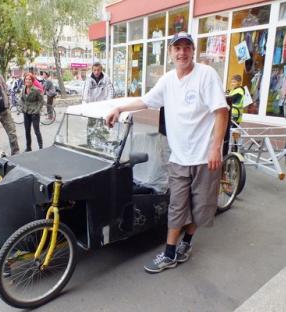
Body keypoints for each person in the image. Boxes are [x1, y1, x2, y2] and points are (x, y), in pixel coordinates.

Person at [105, 32, 229, 273]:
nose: (182, 52)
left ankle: (186, 243)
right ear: (170, 53)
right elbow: (144, 101)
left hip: (205, 157)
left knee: (201, 207)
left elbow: (221, 111)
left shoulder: (206, 75)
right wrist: (118, 107)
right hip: (179, 158)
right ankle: (170, 253)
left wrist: (216, 147)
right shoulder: (167, 80)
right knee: (177, 206)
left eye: (186, 47)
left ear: (193, 50)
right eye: (177, 48)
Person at [21, 73, 44, 151]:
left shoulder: (36, 90)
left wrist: (36, 111)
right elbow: (22, 99)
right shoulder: (23, 89)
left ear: (32, 81)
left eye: (29, 79)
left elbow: (41, 101)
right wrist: (22, 107)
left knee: (36, 131)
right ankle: (28, 147)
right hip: (26, 113)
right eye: (26, 79)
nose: (27, 80)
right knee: (27, 131)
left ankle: (41, 148)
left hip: (34, 114)